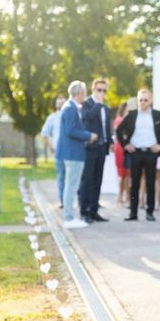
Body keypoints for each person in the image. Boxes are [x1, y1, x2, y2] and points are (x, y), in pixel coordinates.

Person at [116, 89, 160, 222]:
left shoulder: (157, 115)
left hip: (150, 153)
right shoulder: (132, 115)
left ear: (151, 100)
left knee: (150, 183)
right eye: (140, 100)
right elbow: (119, 130)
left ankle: (150, 212)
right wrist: (125, 144)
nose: (142, 102)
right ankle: (133, 212)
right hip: (135, 152)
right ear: (137, 101)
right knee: (134, 184)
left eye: (145, 100)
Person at [56, 81, 98, 229]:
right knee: (71, 186)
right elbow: (71, 130)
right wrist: (89, 135)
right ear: (79, 93)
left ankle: (69, 216)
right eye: (84, 92)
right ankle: (68, 218)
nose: (85, 95)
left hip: (73, 152)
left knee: (71, 185)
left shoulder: (71, 107)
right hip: (72, 153)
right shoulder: (70, 108)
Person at [78, 78, 113, 223]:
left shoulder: (105, 107)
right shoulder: (86, 104)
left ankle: (94, 210)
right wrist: (98, 104)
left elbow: (106, 127)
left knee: (97, 180)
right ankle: (84, 211)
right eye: (99, 90)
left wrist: (109, 142)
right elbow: (87, 118)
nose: (102, 93)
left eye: (104, 90)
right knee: (87, 180)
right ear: (93, 90)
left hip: (102, 147)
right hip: (90, 147)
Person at [41, 94, 66, 206]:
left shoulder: (71, 115)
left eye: (62, 102)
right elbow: (44, 134)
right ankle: (62, 200)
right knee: (61, 176)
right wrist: (50, 147)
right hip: (59, 151)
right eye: (58, 102)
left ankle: (73, 200)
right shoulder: (52, 118)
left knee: (73, 177)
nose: (60, 104)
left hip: (71, 151)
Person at [113, 101, 131, 205]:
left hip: (128, 149)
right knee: (122, 174)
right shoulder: (119, 120)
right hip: (120, 148)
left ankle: (126, 196)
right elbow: (121, 135)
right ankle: (121, 195)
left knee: (128, 174)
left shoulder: (129, 120)